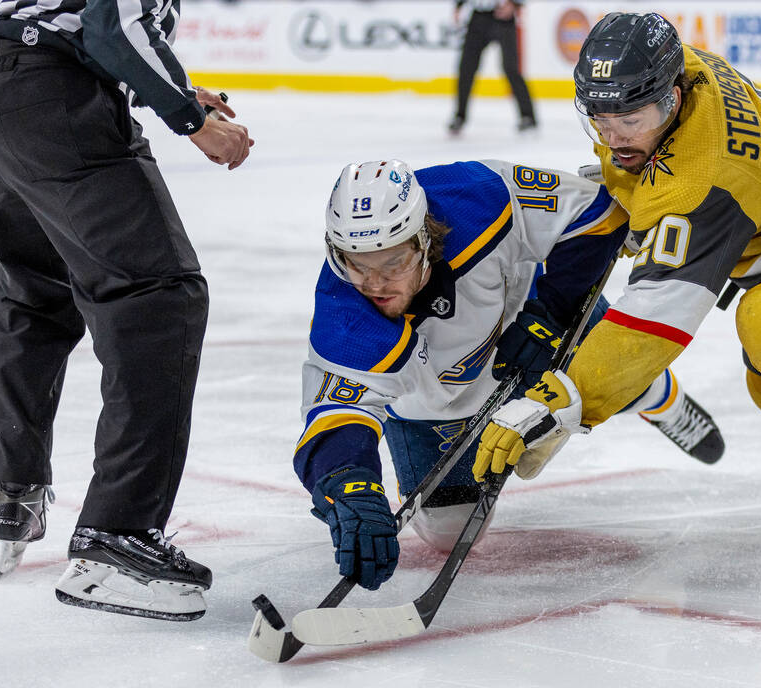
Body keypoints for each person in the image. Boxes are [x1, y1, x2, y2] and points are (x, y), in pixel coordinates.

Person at [475, 12, 761, 619]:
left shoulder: (705, 175)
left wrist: (567, 397)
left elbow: (654, 322)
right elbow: (656, 175)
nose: (614, 136)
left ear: (674, 97)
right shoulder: (671, 74)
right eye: (599, 120)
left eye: (629, 120)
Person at [295, 158, 724, 590]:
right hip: (438, 404)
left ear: (424, 238)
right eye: (358, 264)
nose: (375, 284)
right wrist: (352, 487)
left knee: (614, 374)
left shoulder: (477, 197)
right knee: (450, 532)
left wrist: (550, 315)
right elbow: (334, 415)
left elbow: (596, 213)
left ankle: (657, 396)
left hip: (525, 328)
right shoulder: (344, 319)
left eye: (393, 263)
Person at [0, 0, 253, 620]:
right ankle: (117, 537)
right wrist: (189, 117)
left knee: (33, 296)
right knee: (158, 297)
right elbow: (113, 21)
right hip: (48, 95)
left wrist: (175, 86)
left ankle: (15, 493)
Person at [449, 0, 537, 136]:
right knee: (466, 68)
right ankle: (459, 116)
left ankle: (528, 116)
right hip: (478, 16)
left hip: (503, 17)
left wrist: (514, 4)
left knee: (511, 68)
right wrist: (458, 5)